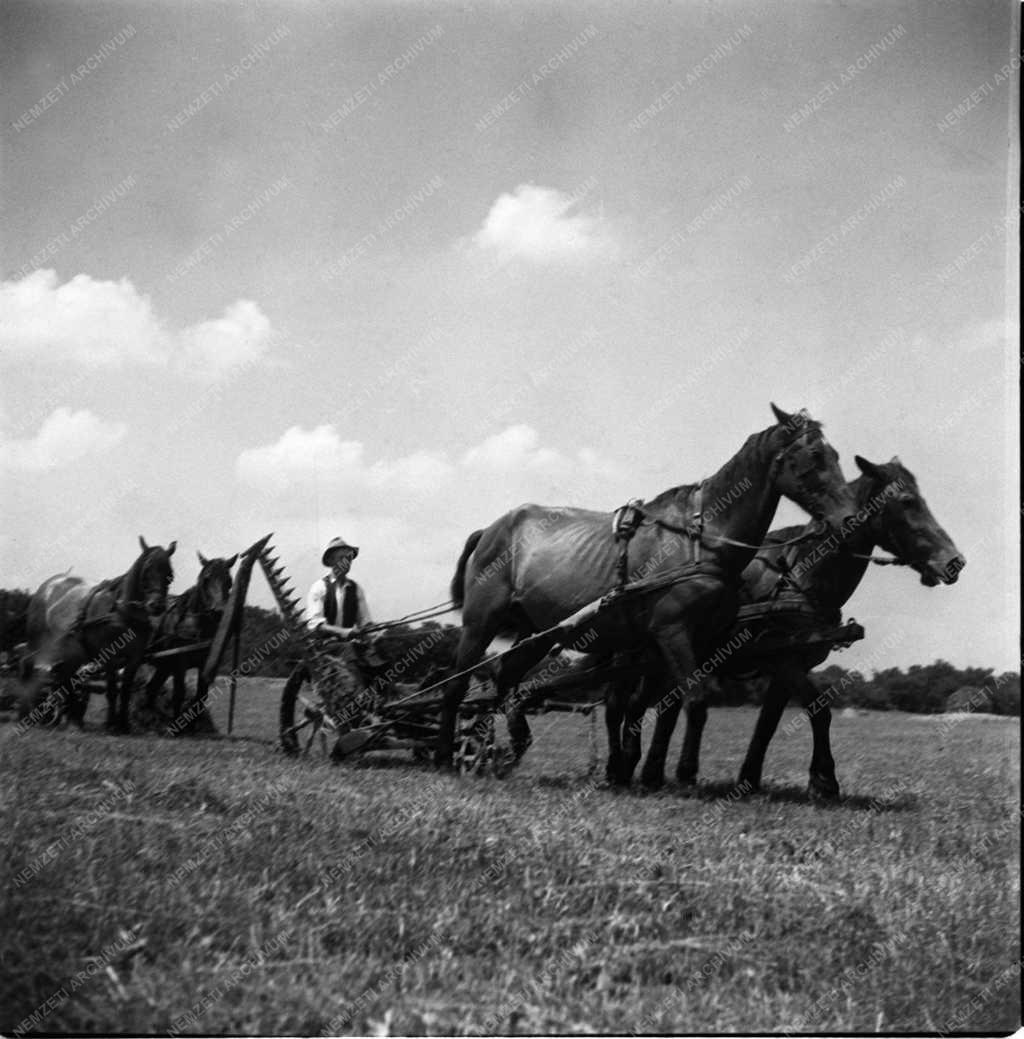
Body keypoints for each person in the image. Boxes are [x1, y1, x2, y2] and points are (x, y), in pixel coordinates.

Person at [306, 535, 372, 637]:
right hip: (326, 646)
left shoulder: (356, 589)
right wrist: (344, 632)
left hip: (352, 643)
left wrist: (373, 632)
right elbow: (316, 624)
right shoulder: (319, 587)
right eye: (341, 558)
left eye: (348, 559)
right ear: (331, 561)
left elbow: (365, 621)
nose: (346, 562)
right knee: (347, 649)